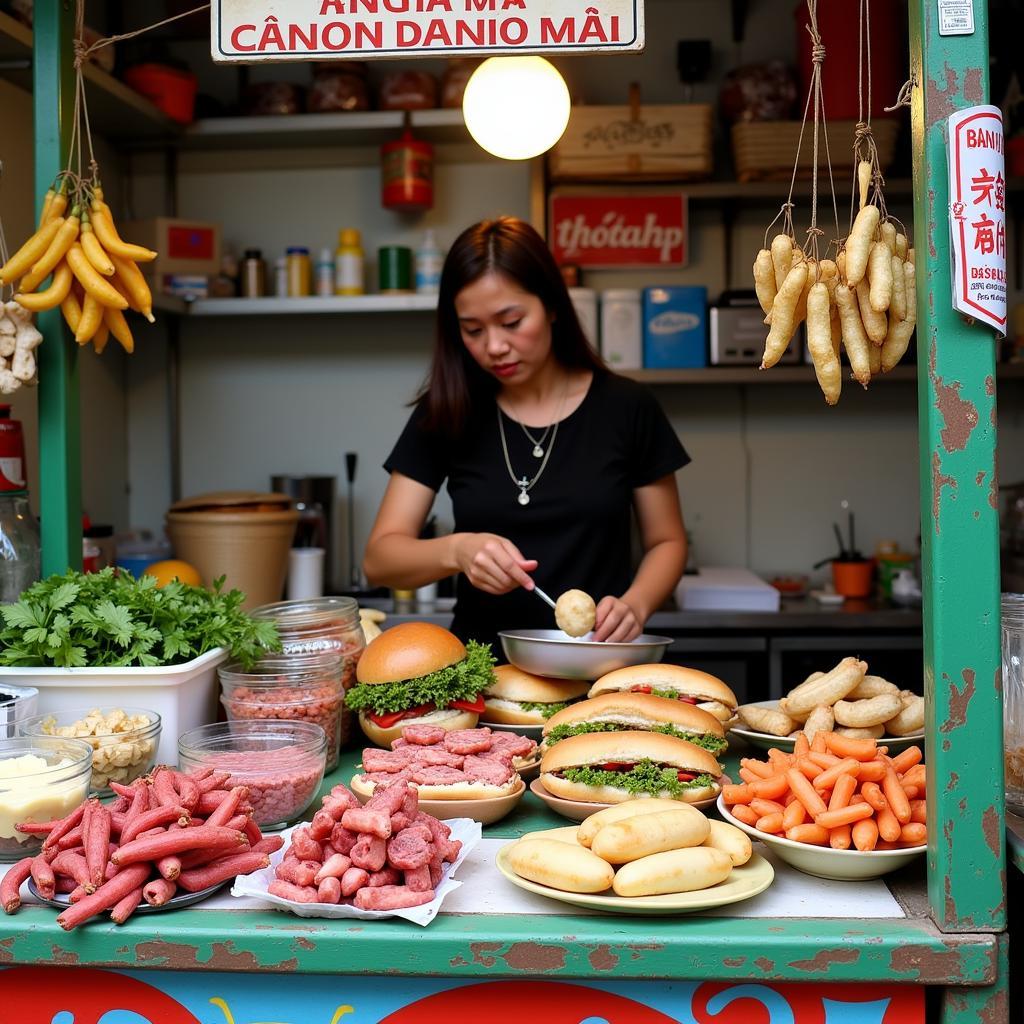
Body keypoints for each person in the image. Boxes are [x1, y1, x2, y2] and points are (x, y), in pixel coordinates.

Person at [363, 216, 690, 652]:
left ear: (552, 305)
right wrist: (457, 551)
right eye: (473, 330)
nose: (494, 346)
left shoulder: (626, 407)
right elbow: (380, 559)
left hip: (597, 664)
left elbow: (667, 541)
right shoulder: (447, 410)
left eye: (511, 321)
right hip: (482, 673)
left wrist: (636, 603)